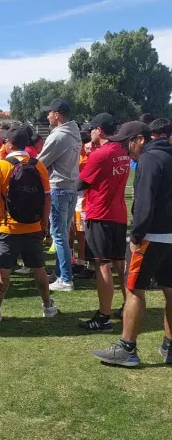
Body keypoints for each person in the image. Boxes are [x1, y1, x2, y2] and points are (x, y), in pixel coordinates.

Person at [93, 121, 172, 366]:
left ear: (140, 139)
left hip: (151, 236)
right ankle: (170, 346)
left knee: (134, 290)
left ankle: (127, 348)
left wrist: (136, 236)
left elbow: (144, 204)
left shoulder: (150, 159)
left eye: (128, 144)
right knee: (170, 290)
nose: (127, 151)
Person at [0, 125, 57, 321]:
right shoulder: (38, 165)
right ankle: (48, 306)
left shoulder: (1, 165)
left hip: (7, 227)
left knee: (4, 271)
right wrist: (44, 224)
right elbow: (47, 198)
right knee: (39, 268)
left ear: (9, 143)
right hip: (33, 226)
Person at [76, 114, 129, 331]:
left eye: (91, 130)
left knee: (102, 264)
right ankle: (129, 305)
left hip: (101, 214)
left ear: (99, 130)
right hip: (119, 214)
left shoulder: (100, 154)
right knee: (119, 264)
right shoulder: (122, 151)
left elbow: (81, 183)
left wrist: (87, 157)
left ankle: (103, 316)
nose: (90, 134)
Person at [39, 99, 81, 291]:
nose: (47, 115)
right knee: (62, 233)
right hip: (71, 187)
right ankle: (59, 272)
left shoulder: (58, 136)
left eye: (49, 112)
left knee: (59, 235)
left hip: (59, 188)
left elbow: (41, 162)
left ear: (57, 114)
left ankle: (65, 278)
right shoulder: (74, 133)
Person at [72, 130, 94, 280]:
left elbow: (80, 182)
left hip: (84, 202)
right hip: (78, 201)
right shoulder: (81, 157)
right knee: (79, 234)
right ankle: (80, 261)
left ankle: (90, 265)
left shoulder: (86, 160)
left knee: (84, 235)